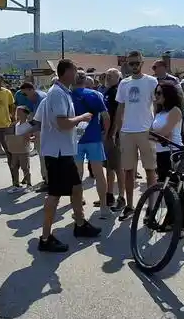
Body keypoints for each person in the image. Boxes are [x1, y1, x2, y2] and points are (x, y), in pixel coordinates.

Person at [34, 59, 102, 252]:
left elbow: (38, 120)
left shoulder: (61, 93)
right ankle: (45, 238)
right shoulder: (57, 94)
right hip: (57, 153)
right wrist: (82, 117)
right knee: (54, 195)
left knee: (77, 187)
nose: (77, 74)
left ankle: (80, 224)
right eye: (74, 70)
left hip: (64, 150)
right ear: (66, 73)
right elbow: (63, 123)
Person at [112, 50, 159, 221]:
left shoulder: (151, 81)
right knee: (128, 171)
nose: (133, 66)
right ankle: (130, 206)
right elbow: (120, 108)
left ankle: (151, 207)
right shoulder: (123, 83)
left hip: (147, 131)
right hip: (127, 132)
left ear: (142, 62)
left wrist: (156, 128)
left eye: (136, 63)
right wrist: (117, 131)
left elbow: (157, 105)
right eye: (130, 63)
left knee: (150, 170)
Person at [71, 71, 111, 218]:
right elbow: (106, 117)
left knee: (77, 175)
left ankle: (77, 207)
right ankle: (104, 207)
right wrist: (105, 134)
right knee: (99, 174)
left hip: (75, 139)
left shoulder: (68, 95)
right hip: (94, 137)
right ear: (85, 80)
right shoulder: (94, 95)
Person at [151, 80, 184, 232]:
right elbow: (155, 134)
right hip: (161, 153)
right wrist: (152, 135)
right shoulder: (159, 112)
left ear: (168, 95)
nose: (156, 96)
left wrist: (150, 135)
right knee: (167, 190)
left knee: (177, 191)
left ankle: (181, 225)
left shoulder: (175, 111)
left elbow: (166, 135)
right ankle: (171, 220)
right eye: (155, 93)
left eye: (159, 93)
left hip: (173, 153)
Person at [101, 68, 124, 211]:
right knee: (109, 166)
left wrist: (114, 133)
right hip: (108, 134)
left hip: (114, 135)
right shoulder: (108, 91)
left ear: (118, 78)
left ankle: (121, 197)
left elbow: (118, 114)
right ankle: (109, 196)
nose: (108, 77)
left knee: (118, 167)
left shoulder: (116, 92)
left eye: (111, 75)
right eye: (107, 75)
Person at [17, 82, 46, 190]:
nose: (25, 97)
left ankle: (47, 181)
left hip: (45, 130)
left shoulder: (40, 99)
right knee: (42, 155)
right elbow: (28, 113)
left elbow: (37, 120)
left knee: (43, 156)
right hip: (41, 129)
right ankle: (46, 179)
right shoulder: (33, 98)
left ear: (31, 90)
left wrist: (27, 132)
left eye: (25, 94)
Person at [5, 106, 34, 191]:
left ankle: (29, 185)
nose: (18, 113)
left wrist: (30, 138)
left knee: (25, 167)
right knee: (14, 166)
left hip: (24, 150)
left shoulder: (29, 125)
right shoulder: (16, 124)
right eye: (17, 111)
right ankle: (16, 185)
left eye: (20, 112)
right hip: (15, 150)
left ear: (25, 113)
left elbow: (34, 136)